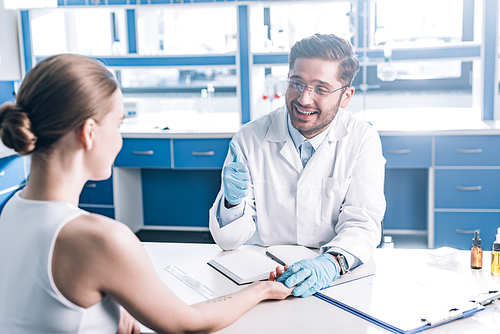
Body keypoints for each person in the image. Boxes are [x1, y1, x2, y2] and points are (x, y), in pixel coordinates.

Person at [0, 54, 293, 334]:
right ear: (88, 133)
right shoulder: (99, 239)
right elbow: (189, 323)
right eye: (118, 125)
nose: (119, 139)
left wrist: (111, 303)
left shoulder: (8, 206)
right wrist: (263, 288)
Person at [209, 33, 386, 298]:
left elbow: (362, 223)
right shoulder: (249, 138)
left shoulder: (362, 140)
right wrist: (233, 204)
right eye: (297, 83)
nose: (304, 99)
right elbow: (229, 241)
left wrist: (331, 263)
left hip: (334, 275)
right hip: (263, 278)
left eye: (321, 89)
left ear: (346, 96)